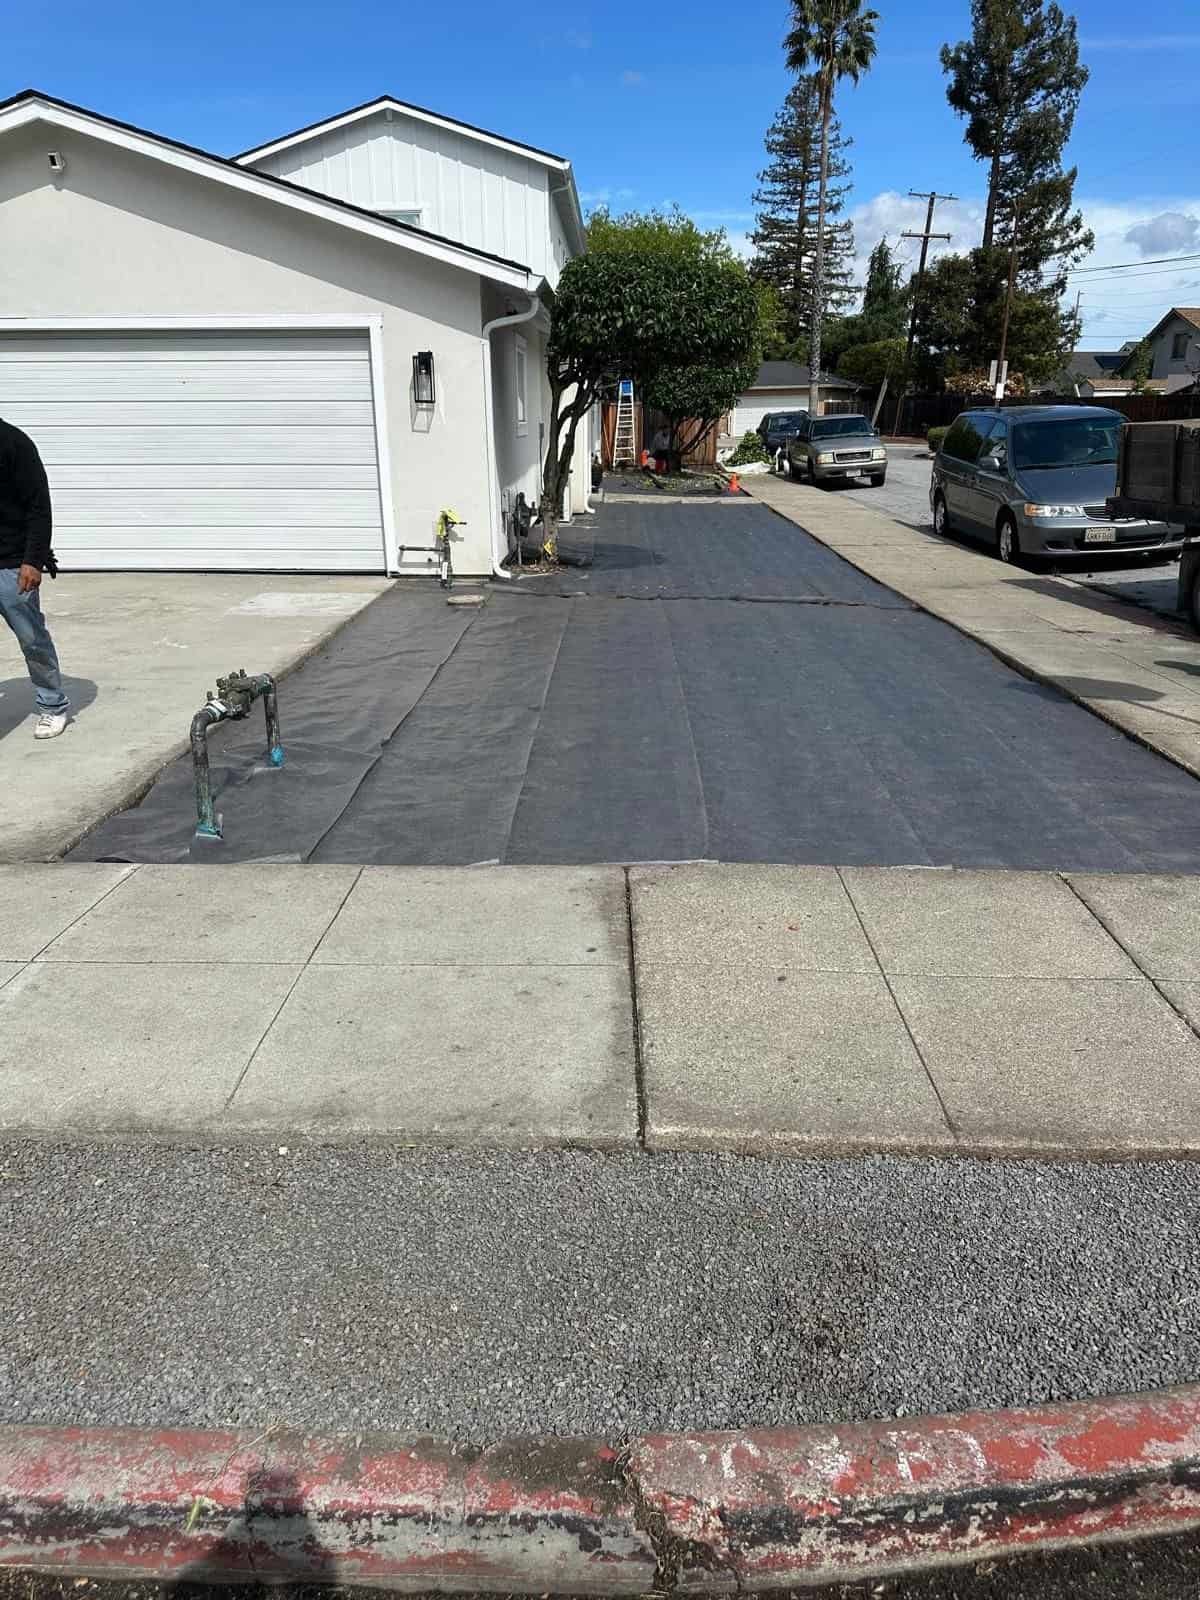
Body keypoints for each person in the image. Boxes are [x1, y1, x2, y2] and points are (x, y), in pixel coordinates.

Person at [0, 418, 69, 739]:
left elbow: (39, 506)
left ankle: (52, 705)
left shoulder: (14, 443)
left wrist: (33, 560)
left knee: (31, 638)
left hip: (13, 564)